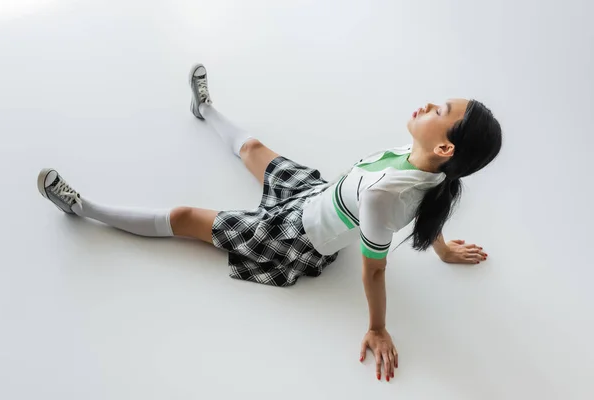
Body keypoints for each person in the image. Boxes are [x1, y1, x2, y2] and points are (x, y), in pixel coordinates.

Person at [37, 64, 502, 382]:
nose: (428, 105)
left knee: (184, 218)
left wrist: (378, 328)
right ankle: (205, 108)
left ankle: (82, 209)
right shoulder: (429, 169)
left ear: (445, 150)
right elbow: (434, 204)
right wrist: (440, 250)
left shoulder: (387, 196)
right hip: (314, 195)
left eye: (440, 112)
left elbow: (375, 269)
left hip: (294, 236)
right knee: (253, 148)